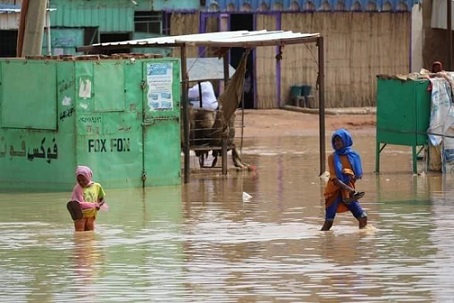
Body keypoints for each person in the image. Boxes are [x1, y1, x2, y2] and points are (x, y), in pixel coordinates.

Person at [321, 128, 367, 231]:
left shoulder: (354, 156)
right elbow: (334, 179)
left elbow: (356, 175)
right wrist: (349, 189)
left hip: (347, 193)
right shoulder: (332, 157)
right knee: (328, 223)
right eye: (335, 141)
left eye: (339, 140)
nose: (336, 143)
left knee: (363, 218)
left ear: (346, 140)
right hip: (334, 192)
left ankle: (361, 242)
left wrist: (350, 176)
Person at [67, 166, 106, 232]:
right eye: (78, 180)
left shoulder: (97, 186)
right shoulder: (77, 188)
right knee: (79, 233)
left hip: (91, 215)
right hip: (79, 216)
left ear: (89, 176)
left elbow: (102, 199)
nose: (81, 182)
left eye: (83, 180)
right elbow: (77, 204)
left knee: (90, 233)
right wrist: (93, 205)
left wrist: (99, 205)